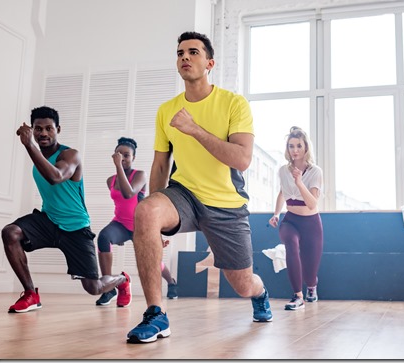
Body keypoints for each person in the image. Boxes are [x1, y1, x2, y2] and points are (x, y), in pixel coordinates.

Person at [126, 31, 273, 344]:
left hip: (226, 205)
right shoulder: (166, 110)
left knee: (243, 285)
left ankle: (261, 294)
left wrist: (194, 129)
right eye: (180, 53)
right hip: (185, 194)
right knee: (145, 211)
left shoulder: (234, 104)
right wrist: (154, 223)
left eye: (193, 52)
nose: (185, 57)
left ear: (210, 63)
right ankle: (156, 313)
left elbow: (242, 159)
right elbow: (161, 165)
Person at [2, 106, 131, 313]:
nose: (43, 133)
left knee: (94, 287)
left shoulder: (71, 155)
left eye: (48, 128)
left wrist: (29, 145)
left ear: (58, 130)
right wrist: (32, 146)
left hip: (76, 227)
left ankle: (122, 280)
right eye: (38, 129)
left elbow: (56, 177)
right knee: (11, 232)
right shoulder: (39, 159)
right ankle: (30, 294)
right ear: (33, 130)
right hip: (49, 221)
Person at [95, 137, 178, 307]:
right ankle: (109, 287)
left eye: (127, 155)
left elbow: (128, 193)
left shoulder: (139, 175)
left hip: (141, 226)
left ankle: (171, 282)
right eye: (119, 154)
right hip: (120, 224)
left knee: (154, 261)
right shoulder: (110, 180)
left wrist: (119, 166)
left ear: (133, 158)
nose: (123, 158)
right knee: (103, 238)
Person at [268, 127, 324, 311]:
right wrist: (276, 214)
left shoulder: (316, 172)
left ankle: (311, 287)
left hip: (311, 224)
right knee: (290, 245)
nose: (295, 150)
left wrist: (299, 181)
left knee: (310, 272)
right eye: (291, 146)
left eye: (299, 145)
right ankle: (297, 296)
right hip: (290, 220)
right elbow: (282, 193)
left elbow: (312, 203)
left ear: (306, 147)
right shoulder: (283, 170)